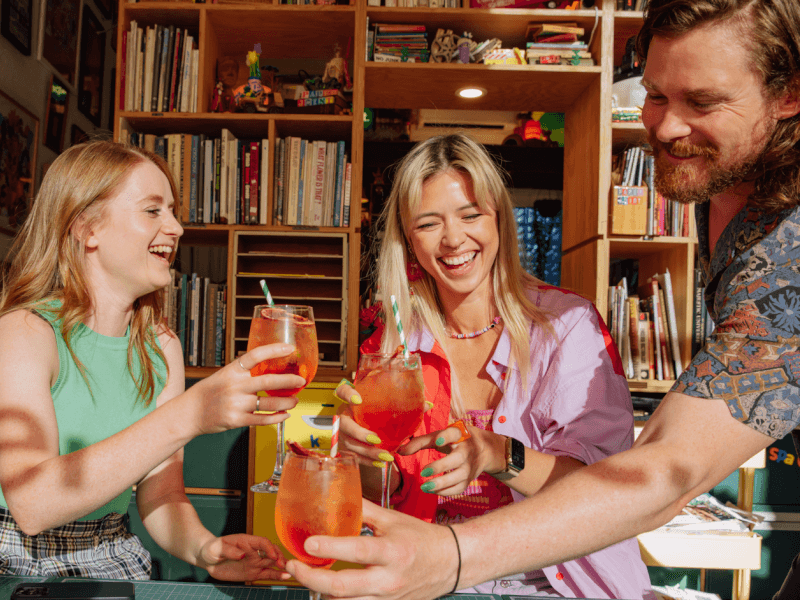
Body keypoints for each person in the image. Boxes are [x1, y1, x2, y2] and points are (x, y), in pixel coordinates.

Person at [283, 1, 800, 599]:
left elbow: (664, 471)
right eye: (655, 95)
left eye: (703, 101)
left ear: (788, 94)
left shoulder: (781, 253)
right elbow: (388, 489)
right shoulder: (726, 185)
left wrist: (460, 540)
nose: (663, 128)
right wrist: (362, 460)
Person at [332, 133, 652, 598]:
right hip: (435, 578)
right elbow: (384, 489)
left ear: (499, 217)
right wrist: (359, 457)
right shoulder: (393, 346)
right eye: (429, 223)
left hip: (558, 583)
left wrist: (498, 454)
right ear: (409, 240)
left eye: (470, 215)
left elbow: (609, 490)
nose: (453, 239)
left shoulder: (568, 326)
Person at [0, 140, 306, 581]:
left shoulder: (161, 347)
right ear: (87, 228)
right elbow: (33, 505)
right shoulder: (25, 333)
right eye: (152, 210)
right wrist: (190, 415)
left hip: (111, 552)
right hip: (13, 560)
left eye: (173, 211)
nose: (176, 227)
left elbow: (161, 494)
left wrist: (207, 550)